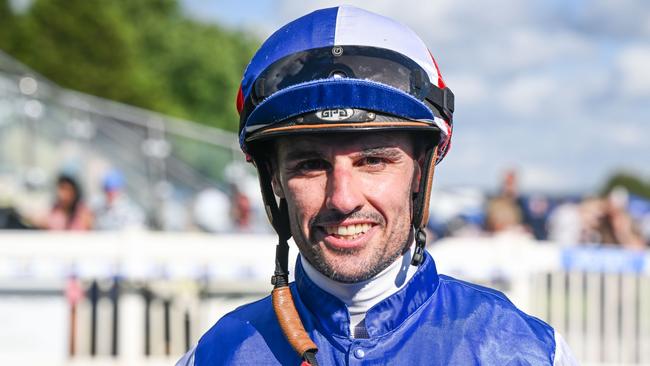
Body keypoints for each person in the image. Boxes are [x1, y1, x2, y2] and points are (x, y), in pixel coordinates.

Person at [178, 6, 576, 365]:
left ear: (421, 168)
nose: (343, 198)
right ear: (274, 179)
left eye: (372, 161)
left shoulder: (525, 352)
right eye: (311, 165)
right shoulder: (216, 354)